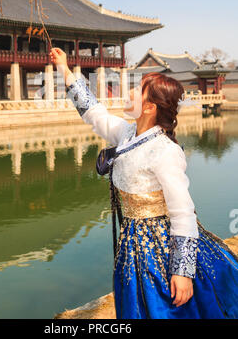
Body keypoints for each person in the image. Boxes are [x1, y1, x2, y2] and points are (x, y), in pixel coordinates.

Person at [50, 47, 238, 320]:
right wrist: (64, 69)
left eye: (137, 90)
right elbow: (94, 114)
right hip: (133, 242)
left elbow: (183, 213)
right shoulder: (126, 133)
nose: (129, 94)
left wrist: (182, 272)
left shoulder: (165, 151)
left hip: (160, 245)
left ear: (149, 107)